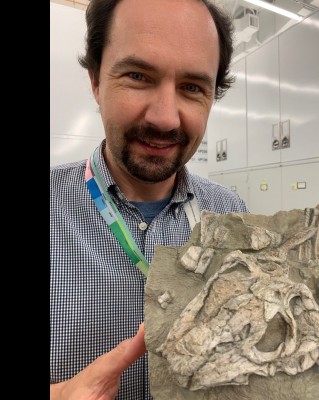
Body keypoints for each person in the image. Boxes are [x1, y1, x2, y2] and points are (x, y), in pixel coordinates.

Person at [50, 0, 249, 399]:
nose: (165, 118)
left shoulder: (231, 214)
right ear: (95, 81)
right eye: (139, 76)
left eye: (192, 87)